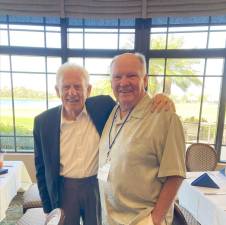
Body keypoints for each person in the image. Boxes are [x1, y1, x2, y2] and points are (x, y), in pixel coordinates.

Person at [33, 62, 175, 225]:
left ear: (89, 89)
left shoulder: (104, 106)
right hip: (64, 189)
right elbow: (40, 169)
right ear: (57, 90)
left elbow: (133, 105)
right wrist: (47, 208)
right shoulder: (43, 122)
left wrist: (159, 98)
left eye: (78, 87)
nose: (72, 93)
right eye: (66, 87)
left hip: (97, 185)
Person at [98, 53, 186, 225]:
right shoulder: (111, 112)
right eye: (117, 77)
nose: (123, 83)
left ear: (145, 80)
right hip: (109, 218)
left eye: (131, 75)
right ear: (111, 83)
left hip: (142, 220)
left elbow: (175, 175)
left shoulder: (165, 118)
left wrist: (154, 220)